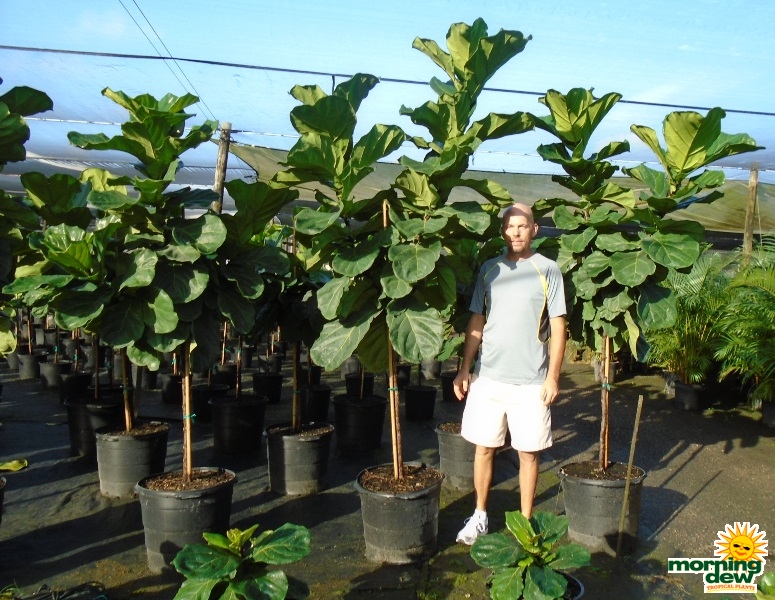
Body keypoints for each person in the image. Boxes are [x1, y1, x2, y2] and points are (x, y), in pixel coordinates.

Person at [453, 202, 567, 545]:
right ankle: (480, 515)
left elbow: (558, 326)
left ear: (534, 229)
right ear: (503, 231)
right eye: (509, 226)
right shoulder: (490, 269)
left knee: (528, 453)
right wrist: (464, 369)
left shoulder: (548, 270)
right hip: (488, 377)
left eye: (522, 226)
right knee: (484, 448)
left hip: (531, 382)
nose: (515, 232)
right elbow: (477, 321)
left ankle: (525, 524)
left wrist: (553, 377)